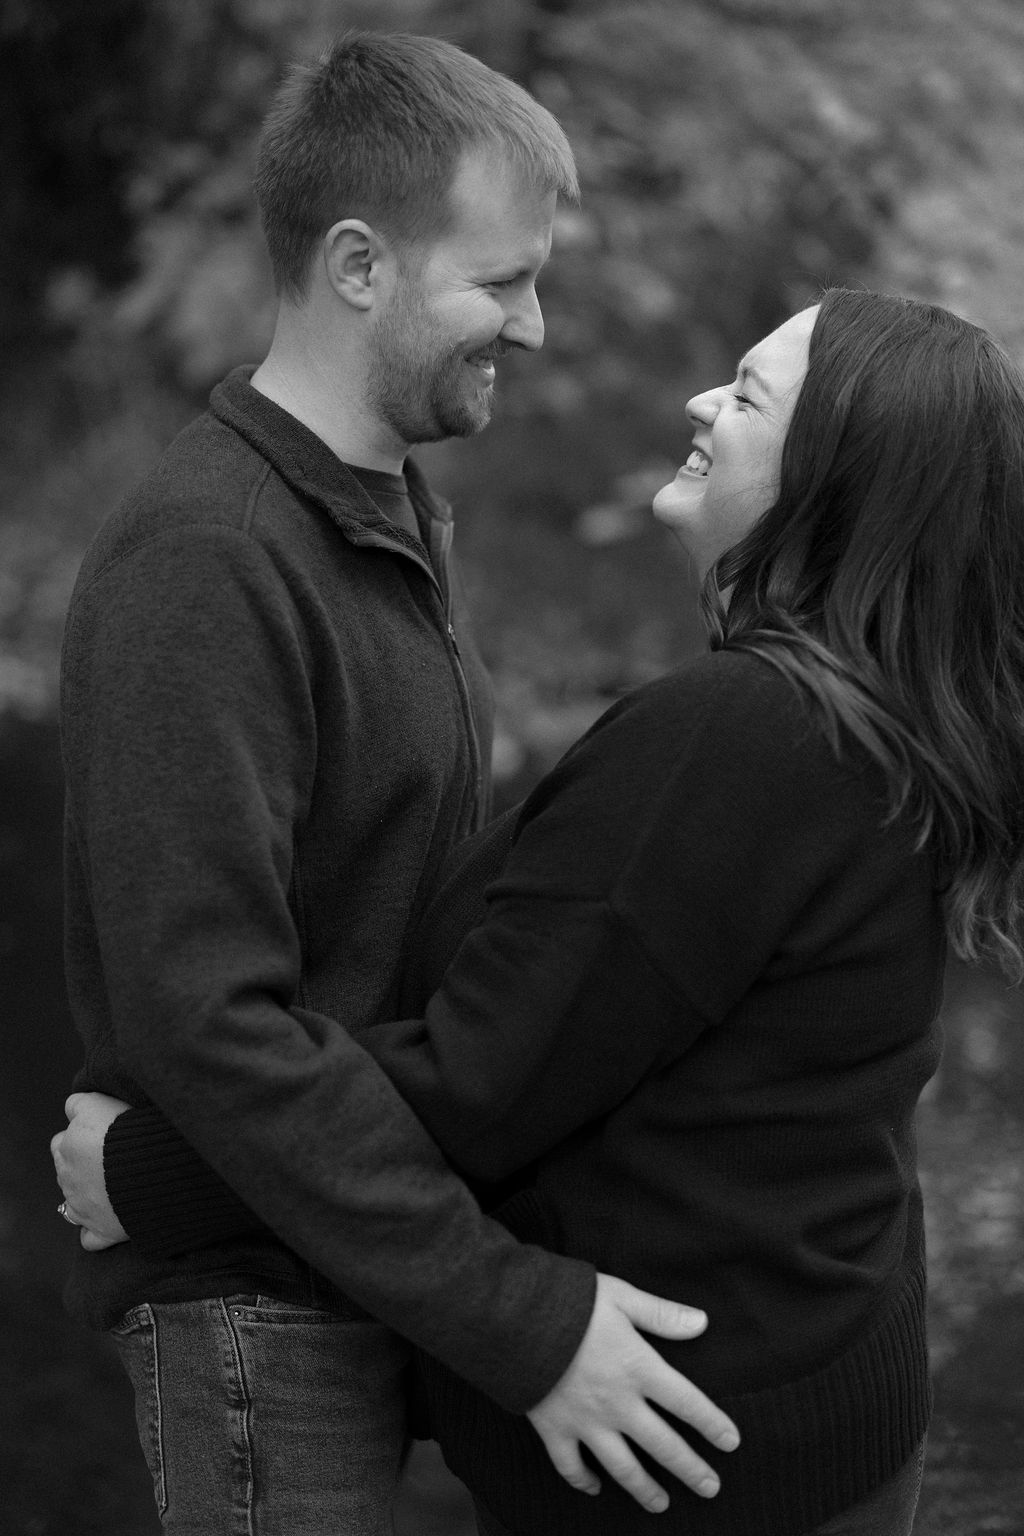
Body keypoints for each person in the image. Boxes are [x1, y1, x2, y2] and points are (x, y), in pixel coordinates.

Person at [58, 288, 1024, 1534]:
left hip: (695, 1464)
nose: (700, 402)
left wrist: (159, 1177)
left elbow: (485, 1080)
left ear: (835, 482)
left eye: (747, 396)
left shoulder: (744, 737)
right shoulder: (878, 726)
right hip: (813, 1412)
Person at [51, 28, 742, 1536]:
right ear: (358, 265)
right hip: (255, 1321)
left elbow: (411, 957)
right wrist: (521, 1320)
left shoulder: (381, 522)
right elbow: (208, 1023)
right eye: (501, 284)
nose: (535, 328)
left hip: (352, 1282)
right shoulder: (213, 557)